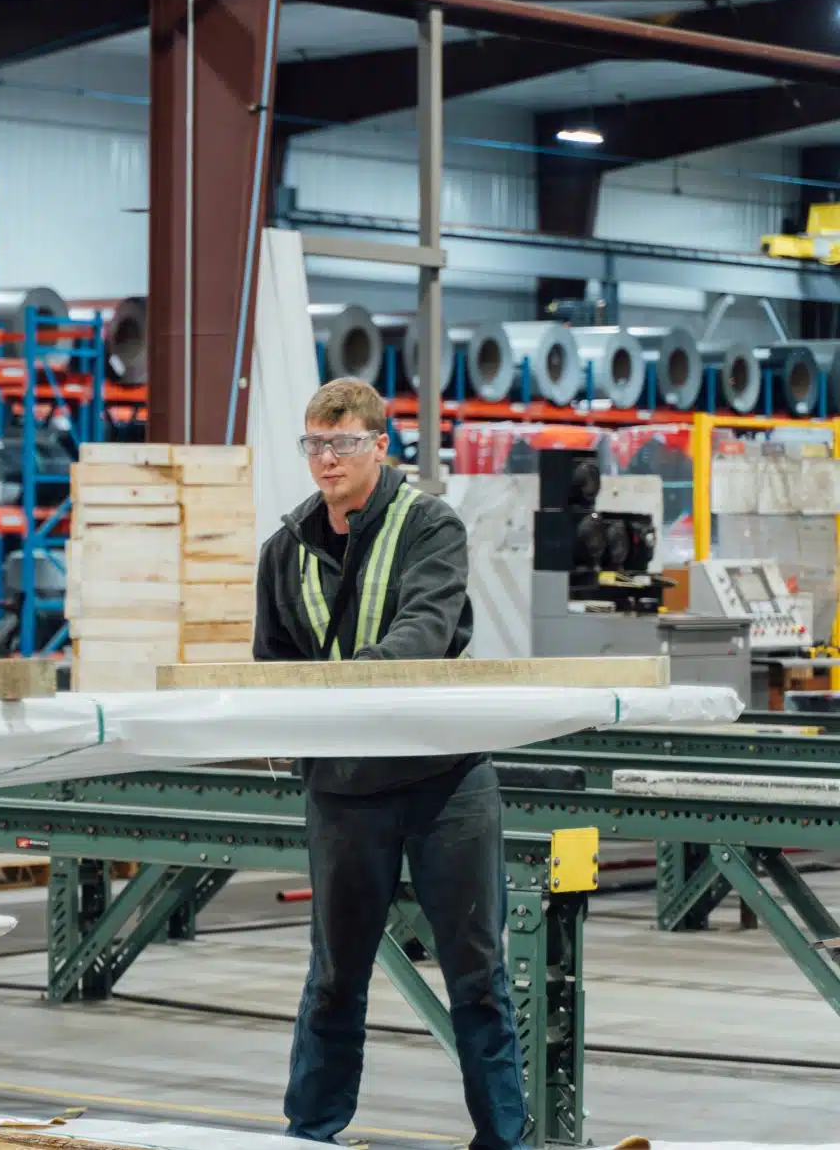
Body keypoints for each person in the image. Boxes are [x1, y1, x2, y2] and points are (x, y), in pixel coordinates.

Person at [253, 377, 524, 1150]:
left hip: (445, 783)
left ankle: (505, 1140)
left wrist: (337, 693)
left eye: (340, 442)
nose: (325, 457)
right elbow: (271, 666)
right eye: (313, 442)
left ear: (380, 444)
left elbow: (424, 631)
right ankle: (309, 1132)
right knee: (334, 977)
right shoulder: (285, 551)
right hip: (344, 791)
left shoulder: (430, 526)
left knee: (475, 976)